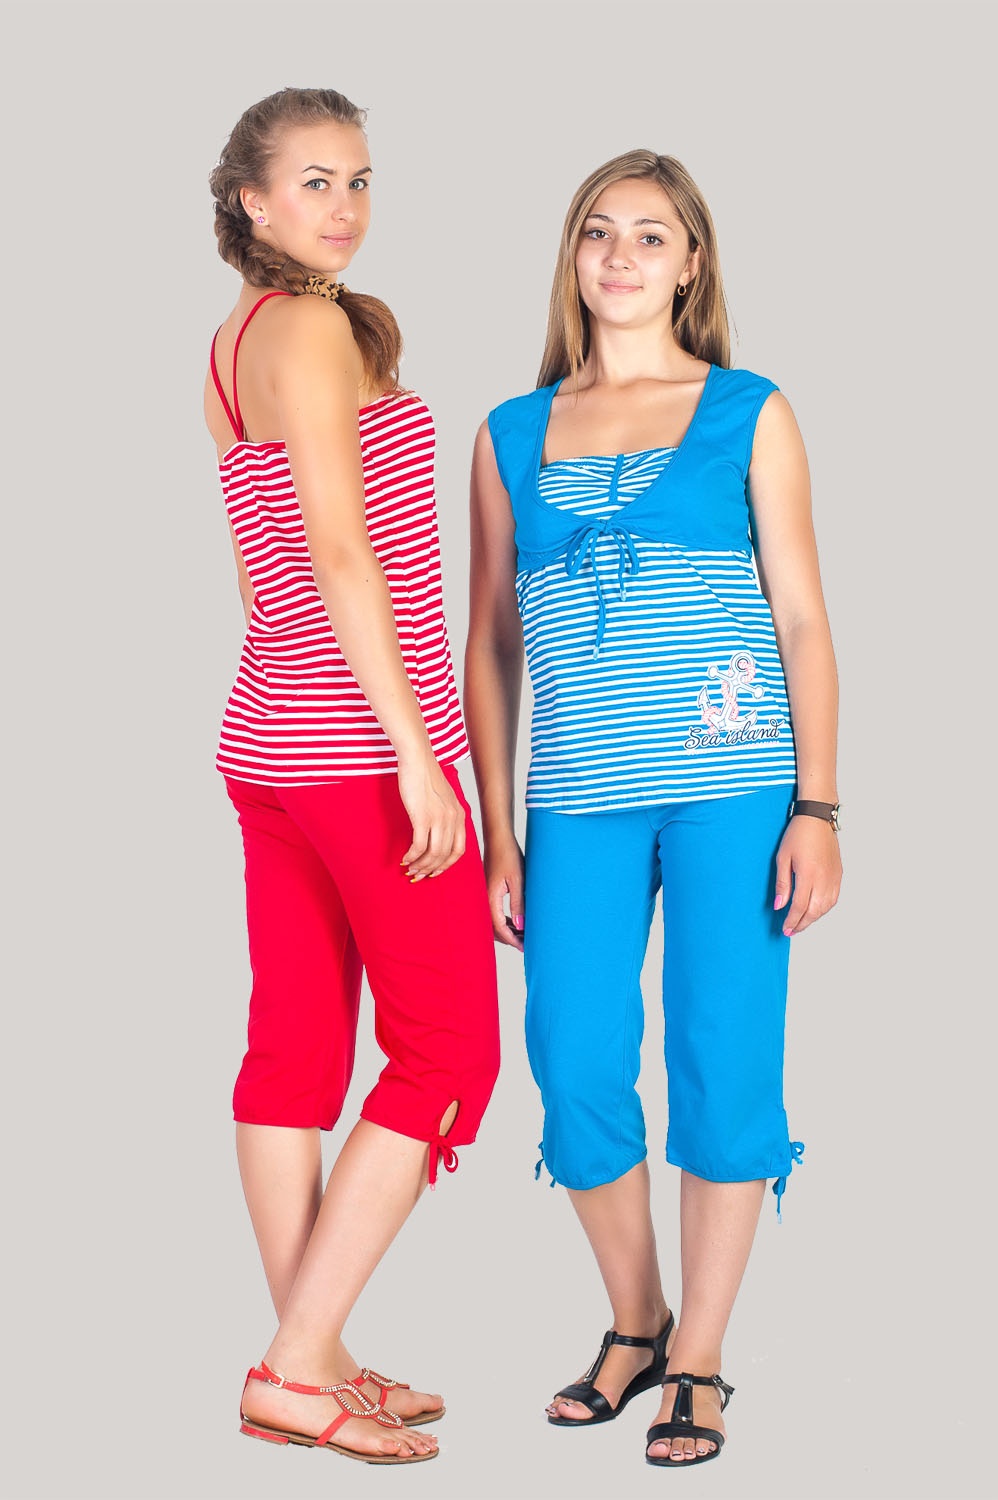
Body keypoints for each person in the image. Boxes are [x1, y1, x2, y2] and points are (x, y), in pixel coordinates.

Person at [464, 149, 841, 1468]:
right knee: (572, 1060)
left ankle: (700, 1359)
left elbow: (802, 618)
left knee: (723, 1059)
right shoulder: (510, 433)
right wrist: (499, 829)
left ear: (690, 265)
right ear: (571, 257)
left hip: (735, 789)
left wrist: (819, 807)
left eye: (651, 235)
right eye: (597, 231)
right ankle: (637, 1322)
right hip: (578, 803)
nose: (620, 255)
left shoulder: (749, 409)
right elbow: (490, 643)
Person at [203, 87, 500, 1464]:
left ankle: (304, 1360)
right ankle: (295, 1362)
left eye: (360, 179)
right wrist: (418, 758)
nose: (344, 205)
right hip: (356, 750)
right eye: (314, 181)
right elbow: (339, 552)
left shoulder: (235, 341)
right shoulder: (311, 328)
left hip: (269, 739)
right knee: (446, 1049)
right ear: (251, 199)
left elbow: (265, 562)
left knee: (297, 1049)